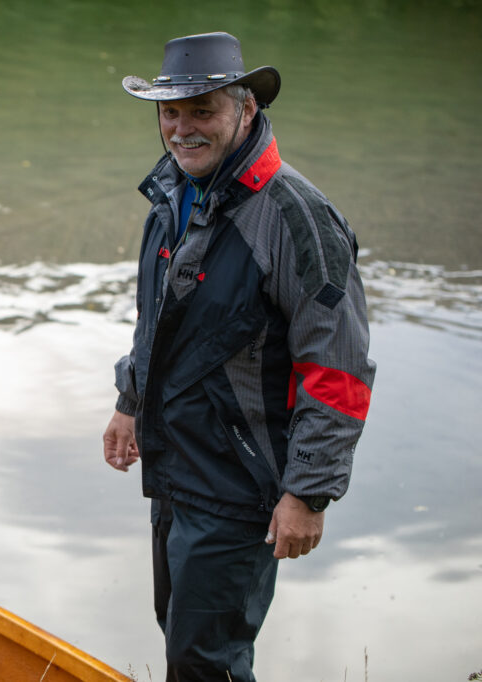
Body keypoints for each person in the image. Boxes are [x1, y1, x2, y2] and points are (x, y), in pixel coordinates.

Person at [102, 32, 375, 681]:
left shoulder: (296, 218)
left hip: (240, 489)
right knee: (183, 642)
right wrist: (129, 400)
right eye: (171, 112)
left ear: (245, 110)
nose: (182, 128)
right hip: (176, 468)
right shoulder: (173, 193)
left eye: (203, 110)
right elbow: (158, 321)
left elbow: (338, 371)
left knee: (207, 662)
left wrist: (308, 492)